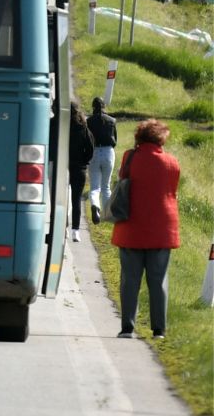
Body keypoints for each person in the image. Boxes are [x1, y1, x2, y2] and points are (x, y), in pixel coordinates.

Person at [111, 119, 181, 339]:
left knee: (130, 279)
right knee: (158, 280)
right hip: (162, 228)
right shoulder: (172, 162)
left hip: (132, 226)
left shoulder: (129, 157)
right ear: (161, 139)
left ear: (139, 137)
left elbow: (123, 179)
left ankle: (127, 327)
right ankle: (159, 329)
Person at [87, 97, 118, 224]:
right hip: (108, 152)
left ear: (93, 107)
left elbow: (87, 139)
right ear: (103, 106)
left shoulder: (88, 121)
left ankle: (95, 206)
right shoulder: (112, 120)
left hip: (94, 152)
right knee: (106, 186)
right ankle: (106, 214)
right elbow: (115, 140)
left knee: (95, 187)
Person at [67, 100, 94, 241]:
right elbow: (90, 148)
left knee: (60, 199)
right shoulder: (83, 128)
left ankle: (62, 225)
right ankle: (75, 231)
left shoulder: (59, 126)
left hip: (62, 166)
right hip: (79, 167)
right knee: (76, 199)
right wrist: (85, 162)